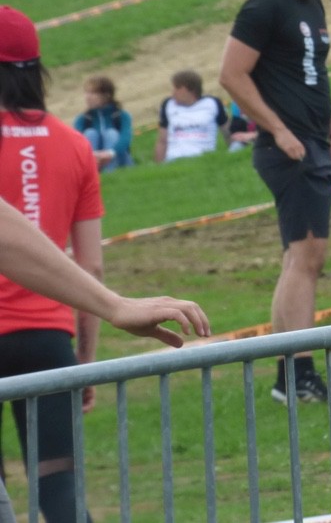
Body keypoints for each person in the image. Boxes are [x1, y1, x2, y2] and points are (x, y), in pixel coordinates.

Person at [0, 6, 203, 523]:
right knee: (60, 493)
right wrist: (85, 358)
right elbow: (90, 265)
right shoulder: (74, 144)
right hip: (49, 337)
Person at [0, 195, 211, 523]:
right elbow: (91, 264)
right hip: (50, 337)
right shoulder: (78, 159)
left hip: (46, 333)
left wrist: (116, 307)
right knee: (57, 482)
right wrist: (104, 321)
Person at [219, 0, 331, 407]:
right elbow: (231, 75)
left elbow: (312, 75)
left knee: (297, 261)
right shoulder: (264, 6)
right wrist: (277, 130)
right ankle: (299, 375)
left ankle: (287, 375)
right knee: (307, 260)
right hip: (288, 150)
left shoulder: (312, 4)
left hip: (313, 142)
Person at [154, 69, 228, 163]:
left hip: (203, 158)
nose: (173, 93)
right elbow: (162, 141)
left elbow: (227, 133)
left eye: (177, 89)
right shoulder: (168, 105)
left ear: (189, 90)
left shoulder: (212, 103)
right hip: (174, 159)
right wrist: (159, 166)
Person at [72, 75, 134, 171]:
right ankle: (92, 171)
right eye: (87, 93)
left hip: (118, 158)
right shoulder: (83, 119)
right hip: (93, 158)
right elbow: (76, 143)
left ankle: (110, 172)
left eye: (93, 93)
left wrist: (110, 153)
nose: (88, 97)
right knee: (90, 133)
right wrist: (94, 155)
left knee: (111, 134)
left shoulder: (121, 116)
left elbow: (125, 139)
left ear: (106, 96)